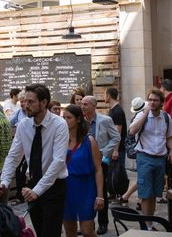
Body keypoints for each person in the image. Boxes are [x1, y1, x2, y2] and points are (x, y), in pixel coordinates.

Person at [0, 84, 68, 237]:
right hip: (32, 185)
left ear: (44, 103)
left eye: (30, 102)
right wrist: (4, 182)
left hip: (53, 187)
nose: (25, 106)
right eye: (24, 101)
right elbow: (13, 156)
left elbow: (58, 161)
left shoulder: (59, 125)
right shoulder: (23, 125)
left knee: (50, 233)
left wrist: (37, 191)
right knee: (39, 231)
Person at [128, 88, 172, 229]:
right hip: (144, 156)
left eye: (155, 100)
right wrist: (145, 114)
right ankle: (147, 225)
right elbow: (132, 131)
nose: (152, 102)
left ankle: (150, 223)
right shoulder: (141, 115)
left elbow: (168, 137)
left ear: (161, 102)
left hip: (160, 158)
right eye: (150, 100)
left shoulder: (166, 117)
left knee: (155, 193)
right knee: (145, 193)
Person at [62, 105, 104, 237]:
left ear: (78, 119)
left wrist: (100, 195)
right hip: (66, 188)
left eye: (69, 117)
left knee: (87, 231)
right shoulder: (60, 141)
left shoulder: (89, 141)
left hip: (86, 188)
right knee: (70, 231)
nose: (65, 120)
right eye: (63, 118)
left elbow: (98, 169)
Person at [81, 95, 120, 235]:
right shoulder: (80, 121)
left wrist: (103, 152)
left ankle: (103, 223)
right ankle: (86, 223)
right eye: (82, 104)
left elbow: (116, 137)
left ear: (94, 106)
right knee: (85, 192)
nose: (82, 106)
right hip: (84, 161)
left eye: (86, 104)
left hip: (100, 162)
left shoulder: (105, 120)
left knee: (100, 191)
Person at [118, 97, 146, 207]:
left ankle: (137, 199)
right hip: (142, 151)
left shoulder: (136, 117)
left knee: (143, 177)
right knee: (143, 177)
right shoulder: (140, 117)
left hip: (139, 150)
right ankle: (130, 197)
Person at [105, 87, 127, 167]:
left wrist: (115, 150)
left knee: (118, 175)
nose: (104, 97)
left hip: (118, 150)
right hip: (112, 148)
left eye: (105, 94)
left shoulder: (117, 111)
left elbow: (118, 132)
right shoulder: (113, 109)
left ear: (108, 95)